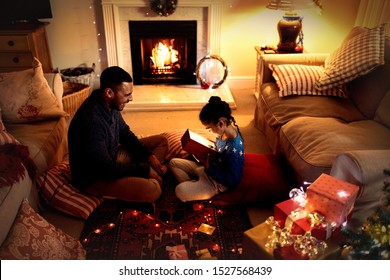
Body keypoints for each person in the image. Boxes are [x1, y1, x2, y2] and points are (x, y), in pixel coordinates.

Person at [68, 66, 168, 203]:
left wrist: (150, 157)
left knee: (162, 141)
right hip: (96, 177)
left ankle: (139, 176)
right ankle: (142, 179)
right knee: (153, 190)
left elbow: (126, 135)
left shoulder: (111, 104)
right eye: (127, 95)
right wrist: (144, 169)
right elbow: (107, 170)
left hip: (112, 157)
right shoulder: (92, 121)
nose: (131, 99)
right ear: (109, 93)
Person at [168, 96, 245, 202]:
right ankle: (195, 186)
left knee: (179, 191)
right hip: (207, 168)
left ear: (221, 123)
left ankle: (195, 189)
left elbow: (232, 180)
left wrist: (210, 169)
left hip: (216, 182)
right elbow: (219, 151)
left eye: (209, 128)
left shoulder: (234, 150)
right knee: (173, 163)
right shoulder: (225, 132)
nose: (210, 131)